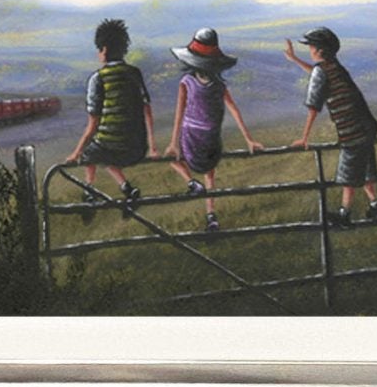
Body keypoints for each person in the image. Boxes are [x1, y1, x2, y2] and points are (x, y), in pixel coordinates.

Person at [161, 29, 258, 230]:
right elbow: (234, 110)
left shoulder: (186, 82)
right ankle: (211, 215)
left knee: (173, 160)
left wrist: (173, 142)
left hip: (190, 134)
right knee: (210, 174)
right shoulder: (219, 85)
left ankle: (191, 183)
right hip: (211, 135)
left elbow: (179, 113)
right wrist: (248, 139)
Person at [286, 26, 377, 225]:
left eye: (312, 46)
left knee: (348, 173)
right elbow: (317, 74)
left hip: (351, 128)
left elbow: (313, 106)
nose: (310, 50)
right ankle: (376, 207)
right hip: (367, 125)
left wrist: (304, 137)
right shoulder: (334, 66)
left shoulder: (322, 71)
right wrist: (295, 60)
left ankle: (344, 214)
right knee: (364, 168)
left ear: (320, 50)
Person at [65, 18, 154, 215]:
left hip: (111, 147)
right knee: (106, 151)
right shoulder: (135, 73)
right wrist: (152, 147)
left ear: (103, 49)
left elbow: (92, 125)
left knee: (92, 152)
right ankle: (128, 189)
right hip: (137, 149)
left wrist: (76, 153)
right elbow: (147, 110)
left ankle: (89, 193)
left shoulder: (98, 79)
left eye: (98, 49)